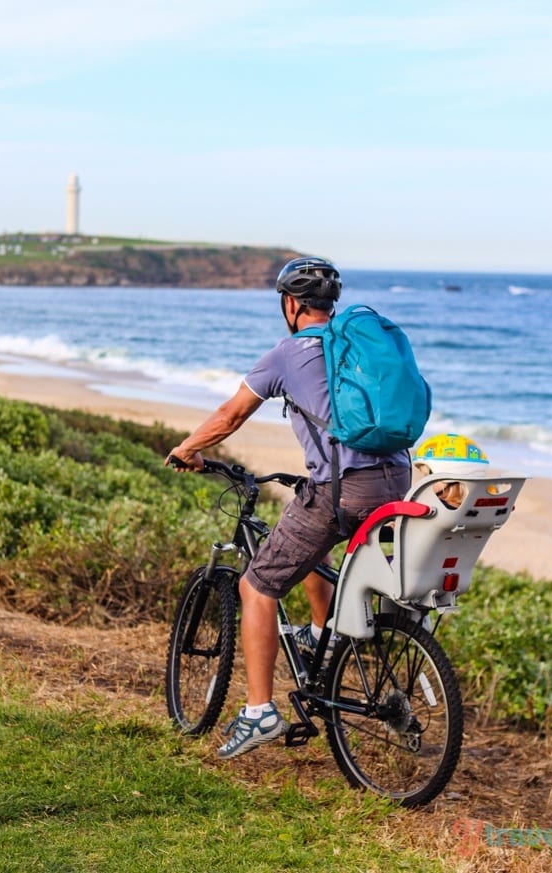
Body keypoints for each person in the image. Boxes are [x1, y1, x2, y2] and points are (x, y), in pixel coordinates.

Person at [165, 257, 412, 759]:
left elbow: (230, 414)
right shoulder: (354, 348)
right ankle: (322, 641)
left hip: (345, 489)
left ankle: (260, 713)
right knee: (307, 538)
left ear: (291, 304)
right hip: (398, 480)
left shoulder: (286, 353)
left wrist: (188, 449)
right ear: (331, 305)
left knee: (256, 586)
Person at [412, 432, 490, 508]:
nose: (424, 480)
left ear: (447, 478)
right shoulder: (481, 507)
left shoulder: (431, 508)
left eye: (427, 475)